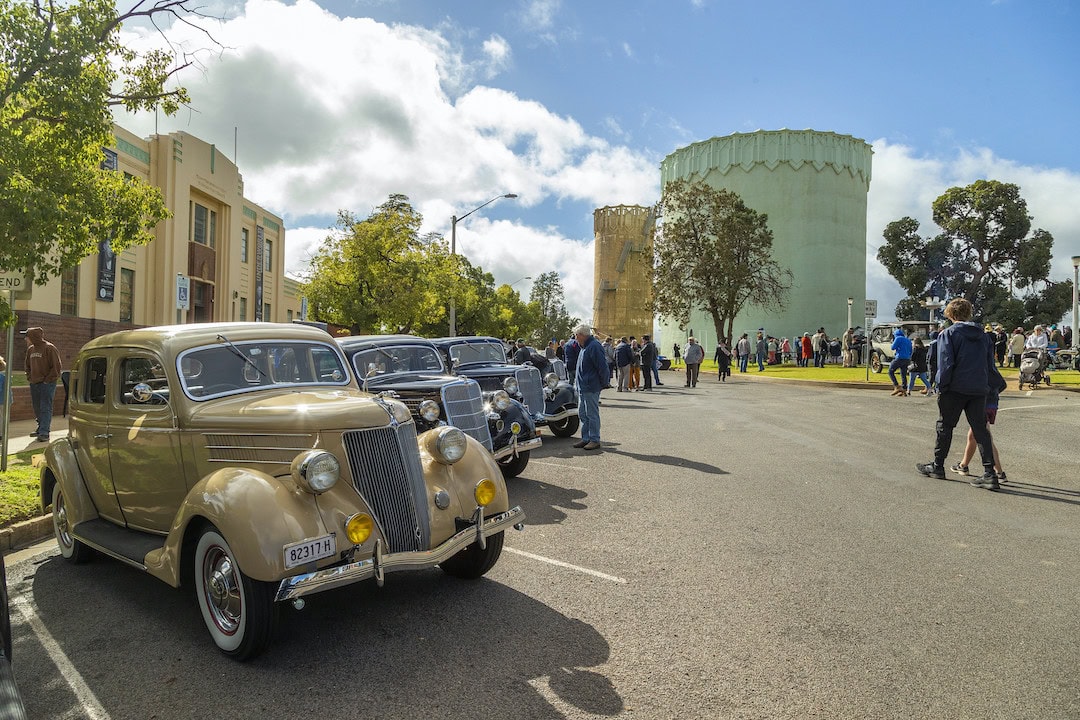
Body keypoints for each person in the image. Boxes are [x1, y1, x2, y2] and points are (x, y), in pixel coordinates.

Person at [915, 298, 1000, 490]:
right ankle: (989, 473)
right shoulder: (983, 336)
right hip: (978, 388)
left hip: (955, 387)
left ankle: (938, 466)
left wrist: (941, 385)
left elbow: (946, 363)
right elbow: (990, 364)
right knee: (981, 430)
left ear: (951, 315)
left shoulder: (949, 334)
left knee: (945, 426)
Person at [950, 363, 1008, 484]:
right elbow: (1002, 384)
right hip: (990, 404)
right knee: (974, 436)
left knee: (984, 437)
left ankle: (999, 473)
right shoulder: (987, 366)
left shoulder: (981, 368)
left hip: (983, 403)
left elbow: (1000, 384)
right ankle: (963, 465)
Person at [23, 326, 62, 443]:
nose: (26, 339)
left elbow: (56, 367)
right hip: (34, 383)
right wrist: (30, 377)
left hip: (47, 383)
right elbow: (27, 365)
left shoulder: (50, 348)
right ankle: (40, 428)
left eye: (27, 336)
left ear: (34, 337)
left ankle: (45, 432)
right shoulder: (31, 350)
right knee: (37, 407)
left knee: (45, 407)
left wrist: (47, 380)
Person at [571, 324, 606, 451]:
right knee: (583, 414)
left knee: (592, 414)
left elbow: (603, 367)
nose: (575, 338)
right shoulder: (584, 347)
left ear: (582, 335)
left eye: (576, 335)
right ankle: (586, 438)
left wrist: (602, 384)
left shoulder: (594, 346)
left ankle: (594, 439)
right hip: (583, 387)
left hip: (591, 387)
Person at [888, 328, 912, 396]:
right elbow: (911, 350)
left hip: (899, 357)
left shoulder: (898, 338)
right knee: (903, 374)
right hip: (907, 359)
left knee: (890, 371)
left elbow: (893, 347)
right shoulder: (908, 340)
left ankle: (897, 386)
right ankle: (904, 389)